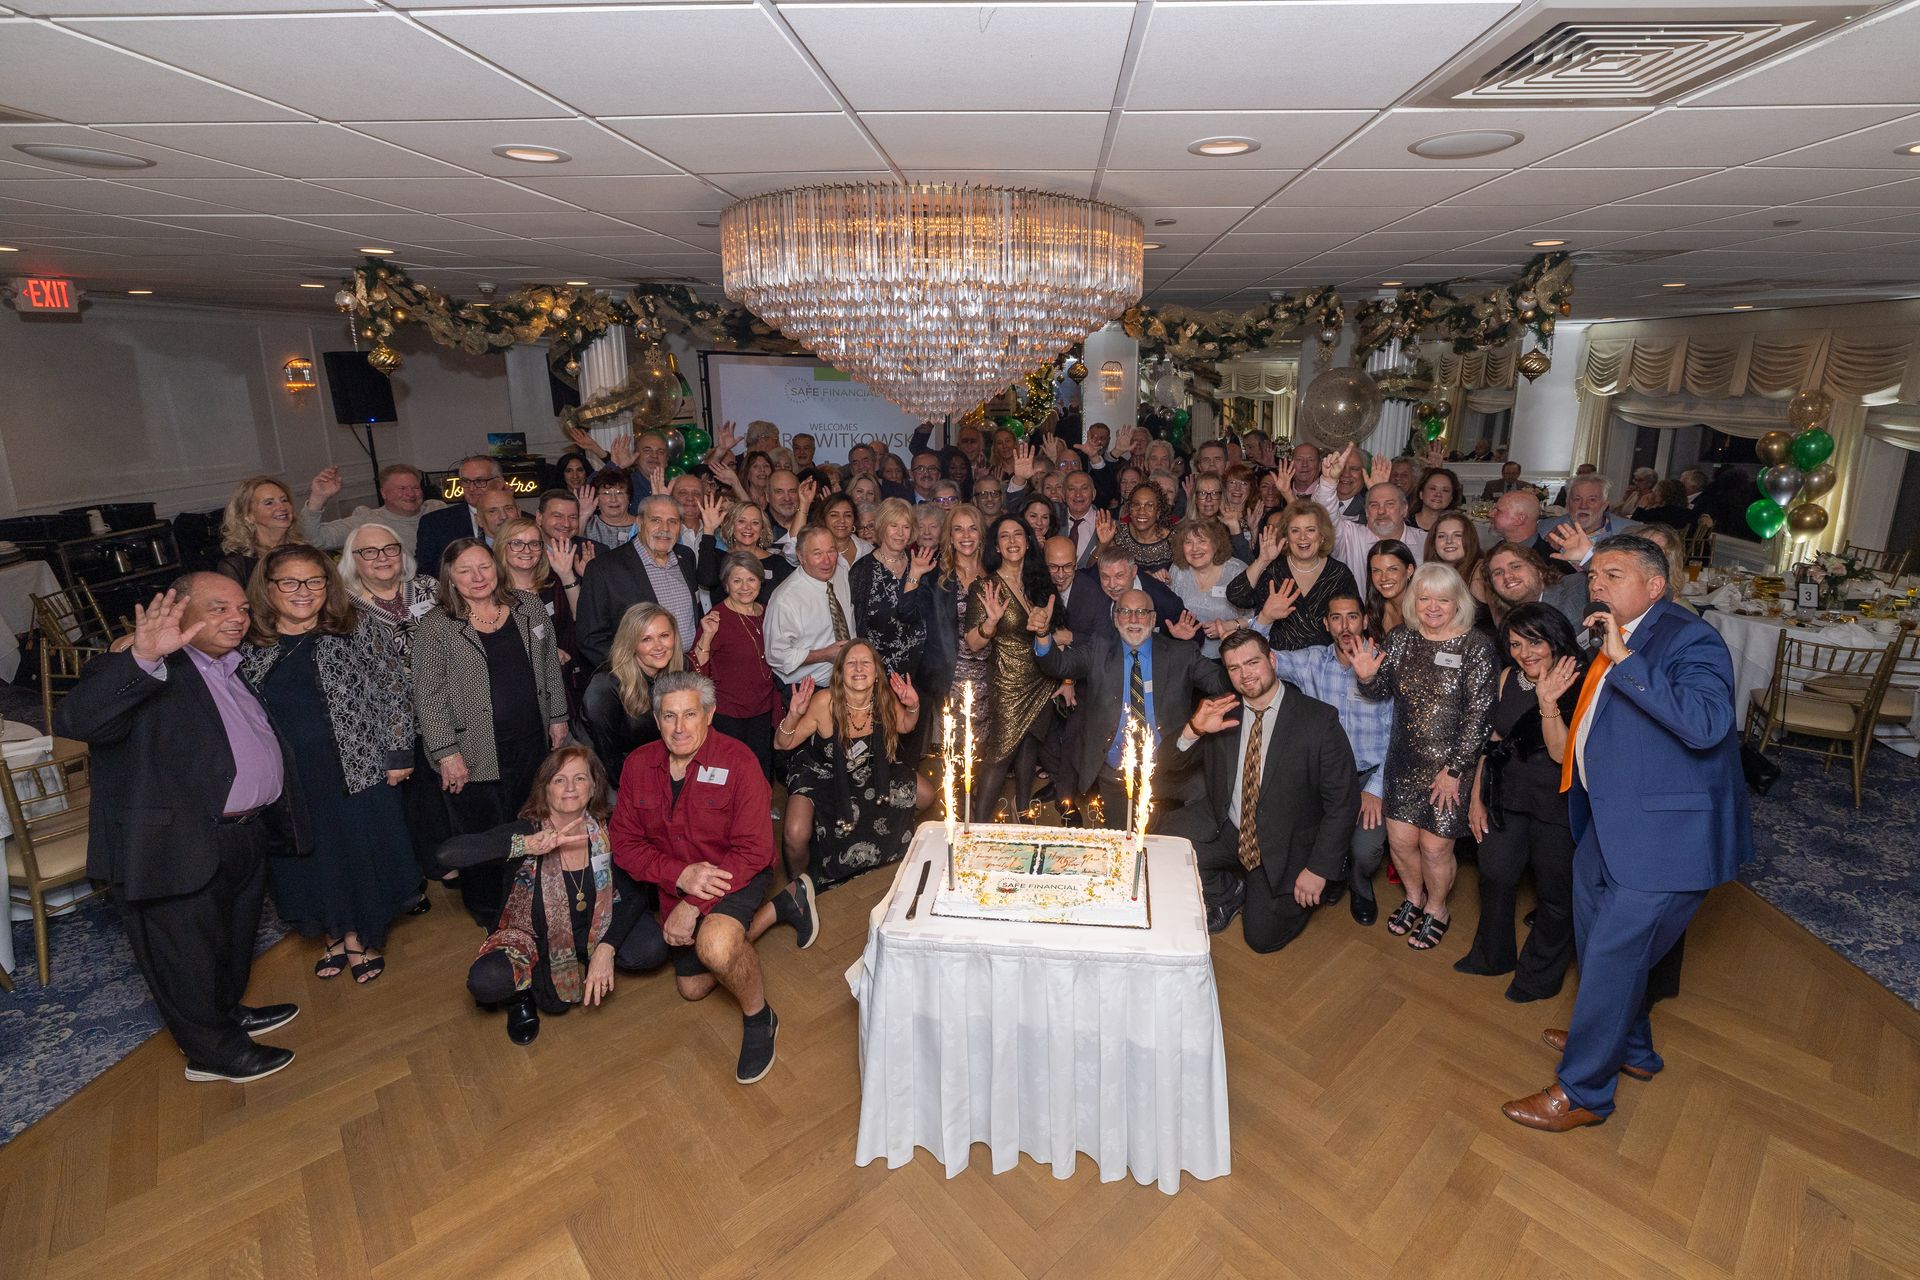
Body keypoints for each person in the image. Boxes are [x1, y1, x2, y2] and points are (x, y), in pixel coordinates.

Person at [1501, 535, 1752, 1132]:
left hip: (1664, 839)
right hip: (1607, 822)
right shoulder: (1620, 632)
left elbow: (1708, 723)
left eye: (1611, 575)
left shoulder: (1689, 638)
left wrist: (1625, 661)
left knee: (1614, 958)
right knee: (1602, 950)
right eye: (1593, 576)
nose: (1596, 585)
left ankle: (1585, 1091)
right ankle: (1627, 1044)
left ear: (1655, 588)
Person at [55, 577, 305, 1083]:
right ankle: (212, 1053)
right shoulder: (147, 664)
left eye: (240, 608)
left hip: (241, 833)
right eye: (218, 608)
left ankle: (225, 1013)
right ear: (182, 611)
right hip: (175, 842)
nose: (236, 617)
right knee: (183, 954)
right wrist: (142, 656)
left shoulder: (228, 666)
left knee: (231, 940)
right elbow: (76, 719)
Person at [240, 545, 417, 985]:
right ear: (267, 588)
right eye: (290, 582)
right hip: (288, 777)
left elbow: (394, 689)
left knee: (356, 851)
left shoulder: (356, 627)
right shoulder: (248, 644)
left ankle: (360, 935)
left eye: (315, 581)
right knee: (311, 856)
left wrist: (398, 754)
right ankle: (331, 931)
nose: (304, 591)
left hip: (357, 767)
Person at [610, 672, 782, 1085]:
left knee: (717, 946)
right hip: (680, 880)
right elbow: (624, 843)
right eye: (669, 716)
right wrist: (680, 876)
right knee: (691, 987)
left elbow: (755, 850)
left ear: (710, 714)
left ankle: (761, 1018)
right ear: (656, 720)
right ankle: (784, 908)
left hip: (736, 872)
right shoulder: (638, 766)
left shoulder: (739, 762)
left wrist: (693, 905)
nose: (679, 727)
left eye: (690, 714)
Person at [441, 746, 666, 1045]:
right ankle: (523, 994)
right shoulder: (526, 832)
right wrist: (525, 845)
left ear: (594, 786)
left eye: (580, 778)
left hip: (598, 924)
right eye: (559, 780)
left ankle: (590, 958)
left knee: (651, 948)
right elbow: (446, 854)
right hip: (535, 937)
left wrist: (607, 948)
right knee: (487, 981)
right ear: (545, 789)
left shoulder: (611, 828)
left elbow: (636, 889)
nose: (570, 788)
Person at [1159, 628, 1358, 947]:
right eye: (1234, 668)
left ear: (1272, 660)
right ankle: (1230, 891)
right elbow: (1168, 763)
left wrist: (1318, 869)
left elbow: (1343, 804)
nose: (1244, 675)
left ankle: (1272, 889)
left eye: (1252, 663)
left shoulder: (1318, 721)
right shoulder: (1221, 710)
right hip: (1231, 828)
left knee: (1262, 939)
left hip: (1285, 842)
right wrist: (1194, 729)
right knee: (1164, 843)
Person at [414, 539, 570, 925]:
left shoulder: (527, 606)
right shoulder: (436, 626)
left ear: (497, 567)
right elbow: (428, 695)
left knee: (531, 822)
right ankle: (489, 912)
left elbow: (550, 665)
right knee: (483, 836)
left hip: (531, 743)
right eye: (464, 570)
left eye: (483, 567)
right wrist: (447, 753)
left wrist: (558, 716)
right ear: (450, 576)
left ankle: (532, 899)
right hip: (472, 752)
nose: (477, 577)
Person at [1351, 562, 1498, 953]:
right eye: (1425, 598)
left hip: (1450, 768)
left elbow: (1480, 716)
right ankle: (1414, 897)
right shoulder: (1401, 639)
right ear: (1414, 600)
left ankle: (1437, 908)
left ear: (1458, 602)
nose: (1433, 607)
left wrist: (1454, 770)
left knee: (1435, 848)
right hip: (1404, 760)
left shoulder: (1476, 646)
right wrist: (1366, 676)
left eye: (1443, 599)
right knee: (1400, 842)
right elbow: (1381, 690)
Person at [1458, 603, 1584, 1002]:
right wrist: (1477, 797)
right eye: (1515, 643)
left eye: (1535, 641)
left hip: (1556, 805)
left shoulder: (1580, 682)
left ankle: (1539, 976)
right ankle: (1492, 955)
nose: (1525, 652)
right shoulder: (1508, 677)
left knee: (1554, 894)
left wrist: (1548, 703)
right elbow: (1491, 741)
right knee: (1494, 875)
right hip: (1505, 796)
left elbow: (1562, 754)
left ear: (1555, 640)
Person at [1031, 587, 1228, 822]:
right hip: (1114, 773)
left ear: (1153, 619)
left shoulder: (1181, 654)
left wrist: (1233, 649)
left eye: (1141, 612)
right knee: (1121, 839)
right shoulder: (1099, 649)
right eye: (1125, 612)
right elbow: (1058, 665)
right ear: (1115, 619)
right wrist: (1043, 635)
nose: (1133, 620)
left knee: (1165, 841)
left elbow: (1221, 682)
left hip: (1169, 771)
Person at [1270, 593, 1394, 924]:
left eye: (1352, 617)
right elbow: (1258, 657)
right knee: (1303, 829)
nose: (1345, 625)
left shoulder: (1384, 664)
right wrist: (1264, 619)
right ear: (1326, 625)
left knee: (1366, 852)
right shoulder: (1311, 661)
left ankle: (1359, 879)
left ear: (1365, 621)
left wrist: (1376, 789)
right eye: (1336, 618)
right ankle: (1334, 871)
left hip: (1368, 775)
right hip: (1324, 777)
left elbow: (1397, 735)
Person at [773, 640, 929, 903]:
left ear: (876, 671)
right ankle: (799, 892)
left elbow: (905, 725)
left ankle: (875, 841)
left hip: (867, 767)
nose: (859, 668)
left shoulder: (883, 698)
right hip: (820, 771)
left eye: (865, 662)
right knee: (795, 833)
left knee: (926, 795)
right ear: (840, 671)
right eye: (851, 663)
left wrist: (912, 706)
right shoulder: (824, 702)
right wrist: (793, 714)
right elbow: (781, 743)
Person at [964, 515, 1059, 820]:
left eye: (1018, 534)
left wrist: (1055, 631)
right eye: (1005, 536)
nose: (1012, 541)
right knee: (999, 755)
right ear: (996, 545)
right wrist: (990, 622)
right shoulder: (986, 586)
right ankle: (976, 827)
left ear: (1028, 540)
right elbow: (974, 643)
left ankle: (1022, 814)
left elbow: (1056, 628)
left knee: (1030, 745)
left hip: (1040, 677)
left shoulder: (1038, 580)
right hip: (1006, 681)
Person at [574, 494, 701, 670]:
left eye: (673, 521)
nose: (665, 528)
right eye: (655, 520)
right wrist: (633, 672)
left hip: (686, 670)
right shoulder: (604, 568)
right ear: (639, 523)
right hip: (637, 680)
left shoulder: (686, 557)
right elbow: (590, 637)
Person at [1228, 500, 1360, 652]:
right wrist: (1262, 561)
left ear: (1322, 535)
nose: (1302, 537)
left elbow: (1354, 622)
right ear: (1286, 537)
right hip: (1278, 666)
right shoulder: (1273, 570)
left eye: (1310, 530)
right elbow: (1237, 596)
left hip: (1325, 668)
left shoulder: (1339, 574)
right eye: (1295, 530)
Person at [576, 602, 685, 783]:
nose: (658, 646)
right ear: (631, 643)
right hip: (596, 766)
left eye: (664, 636)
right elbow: (607, 756)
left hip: (646, 763)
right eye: (646, 639)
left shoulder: (681, 669)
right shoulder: (605, 685)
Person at [691, 552, 779, 776]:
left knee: (760, 768)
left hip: (763, 706)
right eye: (737, 580)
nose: (745, 587)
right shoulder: (716, 618)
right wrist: (707, 637)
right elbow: (696, 669)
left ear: (760, 580)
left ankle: (759, 810)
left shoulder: (767, 612)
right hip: (728, 712)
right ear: (726, 584)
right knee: (729, 769)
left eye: (751, 579)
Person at [850, 497, 936, 681]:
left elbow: (920, 616)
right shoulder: (862, 570)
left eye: (906, 527)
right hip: (877, 672)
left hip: (919, 671)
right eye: (893, 526)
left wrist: (915, 573)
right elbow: (855, 626)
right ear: (881, 527)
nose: (900, 533)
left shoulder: (920, 564)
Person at [764, 526, 856, 689]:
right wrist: (824, 655)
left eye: (831, 551)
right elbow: (776, 655)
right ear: (801, 557)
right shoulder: (785, 599)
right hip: (806, 688)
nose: (827, 561)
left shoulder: (841, 573)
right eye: (817, 554)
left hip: (845, 681)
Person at [299, 463, 444, 555]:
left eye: (415, 488)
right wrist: (318, 498)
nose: (411, 494)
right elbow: (315, 540)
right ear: (383, 493)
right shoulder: (367, 521)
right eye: (402, 488)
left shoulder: (436, 510)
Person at [1063, 541, 1188, 644]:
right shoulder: (1092, 579)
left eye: (1119, 576)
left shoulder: (1162, 598)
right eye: (1105, 577)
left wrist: (1179, 638)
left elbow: (1192, 633)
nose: (1112, 585)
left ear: (1134, 572)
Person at [1169, 517, 1250, 658]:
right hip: (1186, 656)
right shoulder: (1178, 570)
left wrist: (1229, 625)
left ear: (1216, 544)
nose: (1195, 548)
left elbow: (1258, 617)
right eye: (1188, 542)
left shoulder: (1237, 571)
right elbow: (1169, 612)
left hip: (1231, 656)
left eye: (1202, 541)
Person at [416, 454, 506, 574]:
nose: (472, 488)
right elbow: (426, 573)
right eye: (466, 481)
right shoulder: (435, 523)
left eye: (480, 481)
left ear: (499, 483)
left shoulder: (523, 521)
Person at [696, 497, 792, 605]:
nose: (748, 527)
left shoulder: (778, 564)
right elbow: (706, 580)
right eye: (741, 521)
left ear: (762, 529)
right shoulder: (718, 558)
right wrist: (709, 530)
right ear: (731, 526)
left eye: (755, 523)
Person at [1486, 541, 1589, 635]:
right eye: (1498, 573)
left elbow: (1603, 580)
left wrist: (1588, 557)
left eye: (1515, 566)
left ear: (1539, 570)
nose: (1507, 576)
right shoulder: (1508, 624)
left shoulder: (1578, 585)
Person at [215, 475, 299, 586]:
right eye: (269, 503)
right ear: (248, 516)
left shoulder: (304, 552)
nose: (282, 507)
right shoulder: (237, 565)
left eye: (284, 500)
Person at [1424, 510, 1495, 632]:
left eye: (1458, 535)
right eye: (1442, 536)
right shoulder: (1430, 574)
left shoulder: (1482, 571)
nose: (1449, 541)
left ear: (1469, 539)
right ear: (1433, 542)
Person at [1108, 482, 1176, 576]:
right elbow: (1094, 570)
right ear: (1130, 510)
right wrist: (1102, 544)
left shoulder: (1174, 540)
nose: (1141, 511)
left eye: (1149, 506)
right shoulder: (1118, 534)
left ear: (1158, 512)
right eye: (1136, 505)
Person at [1365, 539, 1417, 637]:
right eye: (1376, 571)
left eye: (1392, 569)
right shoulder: (1376, 610)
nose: (1384, 578)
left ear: (1409, 570)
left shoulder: (1424, 609)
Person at [1488, 489, 1557, 559]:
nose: (1490, 514)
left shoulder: (1548, 563)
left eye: (1498, 511)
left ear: (1519, 519)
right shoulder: (1499, 548)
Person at [581, 467, 640, 550]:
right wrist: (582, 517)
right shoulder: (586, 525)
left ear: (628, 497)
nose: (613, 499)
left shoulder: (643, 525)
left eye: (619, 493)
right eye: (606, 493)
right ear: (596, 499)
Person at [815, 491, 872, 568]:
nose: (842, 520)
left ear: (854, 520)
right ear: (823, 519)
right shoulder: (815, 551)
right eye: (834, 515)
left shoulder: (867, 549)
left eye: (847, 515)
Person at [1410, 467, 1463, 534]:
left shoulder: (1457, 527)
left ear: (1451, 498)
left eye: (1445, 490)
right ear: (1421, 494)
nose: (1438, 494)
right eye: (1433, 488)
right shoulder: (1404, 524)